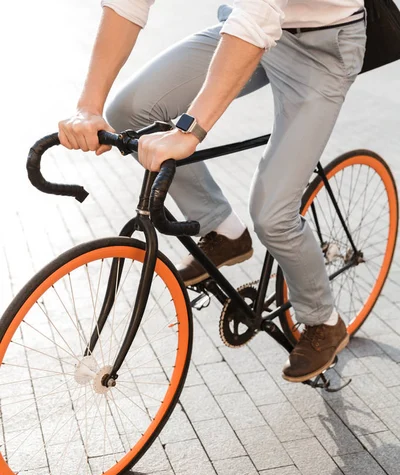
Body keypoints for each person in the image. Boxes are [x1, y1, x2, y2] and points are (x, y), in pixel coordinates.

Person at [58, 0, 367, 382]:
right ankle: (222, 229)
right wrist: (89, 106)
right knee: (131, 112)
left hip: (320, 45)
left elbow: (259, 17)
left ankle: (324, 320)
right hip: (244, 25)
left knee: (273, 215)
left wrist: (189, 131)